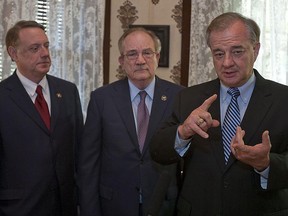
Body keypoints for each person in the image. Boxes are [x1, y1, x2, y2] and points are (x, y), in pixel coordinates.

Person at [150, 12, 288, 216]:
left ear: (256, 50)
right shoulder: (189, 98)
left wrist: (266, 164)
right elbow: (158, 151)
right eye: (219, 53)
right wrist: (183, 132)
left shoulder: (283, 99)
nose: (227, 63)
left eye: (237, 51)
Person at [77, 27, 184, 216]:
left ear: (157, 57)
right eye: (132, 54)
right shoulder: (102, 99)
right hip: (113, 205)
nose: (140, 60)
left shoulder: (179, 97)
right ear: (122, 61)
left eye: (147, 53)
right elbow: (89, 164)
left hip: (165, 204)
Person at [0, 20, 83, 216]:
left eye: (46, 46)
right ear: (13, 53)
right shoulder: (2, 96)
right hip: (17, 208)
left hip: (65, 207)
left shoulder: (68, 91)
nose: (45, 53)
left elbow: (79, 150)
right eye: (35, 48)